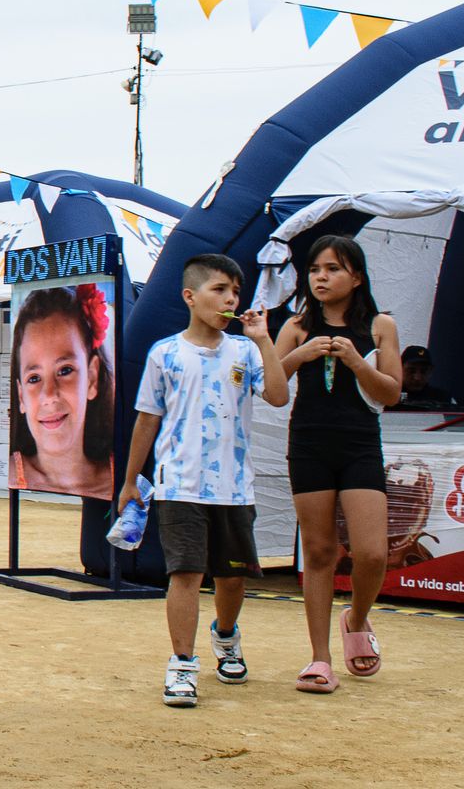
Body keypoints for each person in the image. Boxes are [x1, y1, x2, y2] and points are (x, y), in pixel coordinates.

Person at [119, 253, 285, 708]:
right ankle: (181, 666)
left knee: (231, 580)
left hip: (235, 488)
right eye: (219, 289)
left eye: (235, 290)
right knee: (185, 573)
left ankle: (226, 636)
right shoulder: (165, 353)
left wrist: (264, 340)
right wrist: (132, 480)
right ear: (190, 297)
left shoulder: (246, 351)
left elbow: (277, 393)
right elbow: (146, 419)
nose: (230, 298)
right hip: (179, 486)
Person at [274, 235, 402, 693]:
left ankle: (358, 618)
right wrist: (297, 354)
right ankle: (319, 657)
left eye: (332, 269)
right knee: (320, 552)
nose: (321, 277)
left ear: (357, 277)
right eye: (315, 270)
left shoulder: (380, 325)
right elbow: (272, 389)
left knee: (371, 551)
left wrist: (356, 362)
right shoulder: (297, 325)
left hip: (360, 443)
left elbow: (391, 392)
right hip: (308, 443)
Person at [10, 283, 115, 499]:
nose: (49, 395)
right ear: (21, 395)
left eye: (65, 370)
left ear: (92, 378)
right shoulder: (13, 473)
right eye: (34, 378)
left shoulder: (119, 477)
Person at [395, 345, 452, 412]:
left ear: (431, 371)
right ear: (400, 368)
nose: (417, 378)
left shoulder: (443, 399)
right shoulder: (388, 396)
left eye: (423, 372)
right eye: (411, 371)